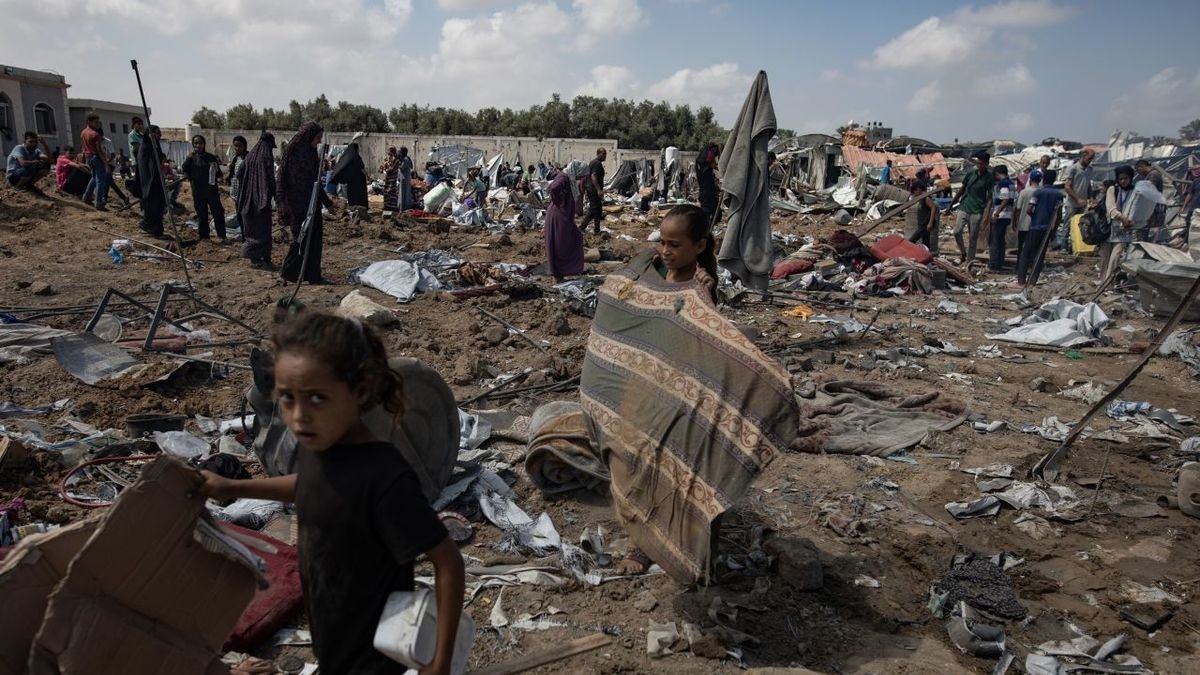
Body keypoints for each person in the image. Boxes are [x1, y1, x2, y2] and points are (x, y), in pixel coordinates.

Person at [199, 311, 466, 675]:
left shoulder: (383, 475)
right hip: (333, 634)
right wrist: (234, 486)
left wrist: (440, 662)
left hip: (377, 653)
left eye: (317, 398)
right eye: (287, 398)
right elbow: (308, 485)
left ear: (359, 392)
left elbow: (448, 561)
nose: (299, 416)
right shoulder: (320, 448)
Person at [279, 122, 334, 284]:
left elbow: (315, 181)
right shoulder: (292, 150)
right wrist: (282, 204)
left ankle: (313, 275)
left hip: (312, 201)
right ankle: (289, 272)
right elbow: (281, 179)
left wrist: (327, 203)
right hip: (296, 202)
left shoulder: (311, 153)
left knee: (315, 238)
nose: (318, 141)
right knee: (301, 237)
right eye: (317, 138)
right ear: (308, 136)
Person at [653, 204, 718, 302]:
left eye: (674, 245)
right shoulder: (657, 270)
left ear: (700, 246)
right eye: (663, 243)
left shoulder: (700, 285)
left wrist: (705, 294)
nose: (665, 251)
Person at [1015, 169, 1062, 288]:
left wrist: (1034, 216)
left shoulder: (1038, 193)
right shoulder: (1059, 194)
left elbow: (1030, 209)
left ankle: (1021, 281)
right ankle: (1032, 282)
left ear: (1043, 179)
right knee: (1039, 255)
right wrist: (1054, 230)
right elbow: (1059, 215)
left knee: (1026, 253)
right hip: (1048, 229)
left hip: (1035, 226)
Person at [237, 132, 277, 269]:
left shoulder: (249, 156)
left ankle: (254, 258)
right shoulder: (266, 156)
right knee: (264, 229)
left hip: (247, 200)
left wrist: (248, 185)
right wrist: (276, 196)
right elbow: (271, 179)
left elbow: (239, 173)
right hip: (261, 200)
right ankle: (265, 258)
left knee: (251, 230)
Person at [181, 135, 226, 241]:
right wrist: (188, 160)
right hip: (198, 192)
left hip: (212, 192)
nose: (198, 146)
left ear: (204, 144)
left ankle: (222, 236)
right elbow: (185, 170)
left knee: (218, 214)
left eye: (200, 143)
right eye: (195, 143)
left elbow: (218, 174)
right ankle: (204, 238)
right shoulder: (191, 158)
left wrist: (215, 167)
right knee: (202, 216)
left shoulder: (210, 157)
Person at [543, 165, 584, 283]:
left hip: (564, 217)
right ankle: (558, 273)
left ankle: (563, 271)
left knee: (572, 239)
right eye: (581, 174)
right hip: (559, 216)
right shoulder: (564, 177)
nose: (581, 177)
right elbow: (554, 188)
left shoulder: (568, 179)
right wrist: (559, 201)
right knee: (560, 244)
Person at [1098, 166, 1137, 286]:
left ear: (1131, 178)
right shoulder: (1112, 189)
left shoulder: (1134, 190)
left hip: (1125, 227)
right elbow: (1111, 208)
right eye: (1120, 179)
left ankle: (1108, 282)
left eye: (1126, 179)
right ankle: (1103, 281)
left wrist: (1130, 220)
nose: (1123, 181)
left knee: (1116, 254)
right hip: (1111, 225)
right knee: (1106, 255)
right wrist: (1121, 217)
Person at [953, 151, 994, 265]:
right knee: (957, 231)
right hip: (964, 206)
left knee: (973, 238)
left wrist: (987, 212)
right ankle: (963, 253)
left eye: (982, 164)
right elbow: (962, 189)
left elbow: (990, 197)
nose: (979, 166)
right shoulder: (971, 174)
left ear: (986, 164)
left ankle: (969, 262)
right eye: (978, 163)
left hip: (977, 209)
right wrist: (951, 204)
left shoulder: (989, 178)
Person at [1058, 148, 1095, 251]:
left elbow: (1088, 186)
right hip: (1072, 202)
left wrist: (1091, 198)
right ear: (1083, 156)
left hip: (1082, 203)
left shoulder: (1089, 169)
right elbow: (1067, 187)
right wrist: (1077, 199)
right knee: (1067, 225)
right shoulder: (1073, 168)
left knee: (1081, 226)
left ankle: (1078, 247)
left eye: (1091, 159)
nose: (1090, 161)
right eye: (1089, 158)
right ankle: (1064, 248)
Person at [136, 125, 168, 238]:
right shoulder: (146, 147)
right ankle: (149, 226)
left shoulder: (155, 145)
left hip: (156, 182)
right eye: (157, 133)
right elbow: (149, 167)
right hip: (149, 183)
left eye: (160, 133)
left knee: (158, 205)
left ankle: (157, 230)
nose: (159, 136)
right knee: (152, 205)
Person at [330, 140, 368, 218]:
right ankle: (360, 208)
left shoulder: (347, 157)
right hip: (359, 180)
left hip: (351, 180)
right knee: (360, 194)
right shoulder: (356, 157)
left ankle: (353, 207)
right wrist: (368, 176)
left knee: (352, 193)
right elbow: (362, 168)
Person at [80, 113, 110, 210]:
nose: (97, 124)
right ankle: (99, 202)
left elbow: (83, 147)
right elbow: (99, 150)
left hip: (88, 157)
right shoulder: (95, 134)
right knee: (100, 180)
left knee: (94, 177)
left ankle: (87, 196)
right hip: (96, 157)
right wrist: (106, 163)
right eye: (96, 122)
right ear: (89, 122)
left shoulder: (83, 132)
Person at [988, 165, 1014, 272]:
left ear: (998, 173)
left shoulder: (1004, 183)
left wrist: (996, 214)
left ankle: (994, 264)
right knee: (1000, 240)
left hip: (1001, 215)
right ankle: (1000, 262)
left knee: (995, 240)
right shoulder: (1011, 183)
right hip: (1007, 215)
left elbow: (1005, 199)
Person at [1012, 169, 1041, 259]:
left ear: (1030, 179)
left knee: (1022, 246)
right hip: (1036, 225)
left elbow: (1018, 209)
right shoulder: (1041, 192)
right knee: (1034, 247)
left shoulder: (1024, 192)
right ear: (1040, 180)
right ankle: (1031, 265)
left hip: (1023, 224)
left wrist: (1015, 221)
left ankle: (1020, 265)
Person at [1134, 159, 1165, 242]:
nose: (1138, 172)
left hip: (1153, 209)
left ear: (1142, 166)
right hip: (1153, 209)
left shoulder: (1153, 175)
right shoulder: (1151, 175)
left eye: (1138, 169)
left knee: (1150, 232)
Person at [100, 131, 132, 209]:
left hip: (110, 164)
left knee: (107, 180)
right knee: (109, 182)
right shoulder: (97, 142)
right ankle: (124, 198)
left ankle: (104, 198)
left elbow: (112, 156)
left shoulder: (108, 142)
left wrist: (106, 162)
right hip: (102, 165)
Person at [579, 147, 607, 234]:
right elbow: (593, 177)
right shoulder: (596, 163)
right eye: (603, 154)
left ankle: (597, 229)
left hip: (592, 189)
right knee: (593, 210)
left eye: (605, 154)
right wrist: (598, 190)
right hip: (593, 190)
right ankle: (582, 227)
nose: (605, 156)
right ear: (598, 154)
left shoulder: (594, 163)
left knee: (598, 210)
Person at [907, 178, 937, 250]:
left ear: (919, 189)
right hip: (922, 224)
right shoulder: (921, 198)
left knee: (911, 241)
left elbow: (933, 208)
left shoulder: (926, 198)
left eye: (915, 191)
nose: (914, 193)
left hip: (924, 225)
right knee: (926, 243)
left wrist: (930, 223)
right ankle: (928, 256)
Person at [228, 135, 249, 239]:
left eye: (239, 146)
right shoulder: (235, 158)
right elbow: (232, 176)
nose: (237, 148)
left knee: (246, 216)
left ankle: (248, 236)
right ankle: (244, 236)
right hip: (236, 192)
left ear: (244, 146)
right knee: (239, 215)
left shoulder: (248, 158)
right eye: (235, 146)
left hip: (245, 193)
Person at [695, 143, 721, 225]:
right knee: (708, 202)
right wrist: (720, 168)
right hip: (707, 190)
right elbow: (710, 160)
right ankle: (706, 221)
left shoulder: (700, 165)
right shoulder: (713, 149)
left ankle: (713, 219)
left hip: (706, 188)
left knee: (712, 201)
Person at [380, 147, 400, 212]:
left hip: (393, 178)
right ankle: (387, 206)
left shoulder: (396, 159)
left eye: (389, 151)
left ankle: (392, 207)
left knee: (391, 191)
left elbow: (391, 169)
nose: (388, 153)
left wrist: (385, 170)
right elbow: (382, 167)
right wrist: (382, 169)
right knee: (386, 192)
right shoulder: (387, 159)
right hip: (388, 178)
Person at [398, 147, 414, 212]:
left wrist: (398, 162)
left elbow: (402, 168)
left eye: (400, 152)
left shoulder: (405, 160)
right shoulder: (407, 159)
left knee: (403, 194)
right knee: (405, 194)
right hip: (405, 178)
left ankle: (403, 208)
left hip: (404, 179)